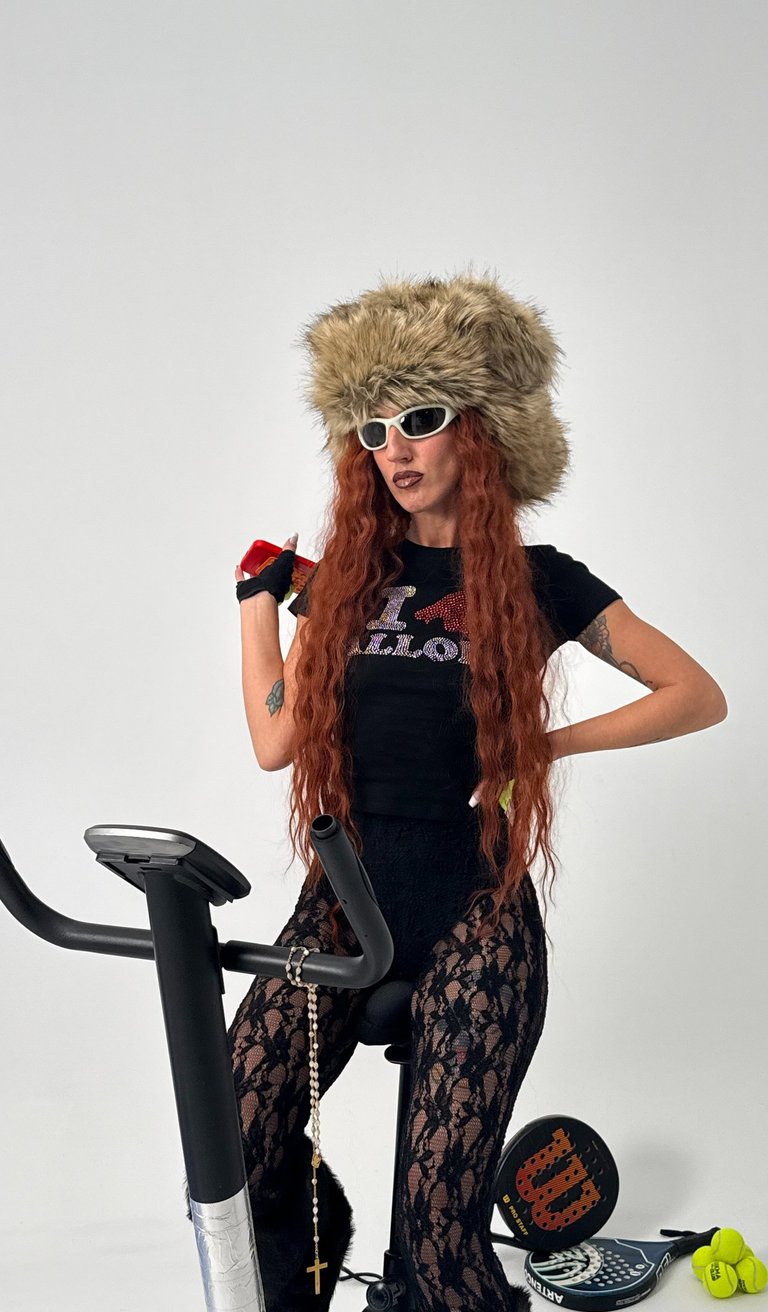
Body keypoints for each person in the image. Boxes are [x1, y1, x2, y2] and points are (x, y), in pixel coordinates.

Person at [225, 271, 727, 1310]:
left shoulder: (544, 582)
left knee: (439, 1241)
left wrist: (540, 747)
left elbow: (696, 694)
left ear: (479, 433)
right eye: (374, 431)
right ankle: (318, 1249)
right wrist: (255, 606)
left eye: (419, 420)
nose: (395, 451)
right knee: (234, 1137)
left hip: (476, 914)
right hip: (344, 900)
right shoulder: (347, 582)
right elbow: (277, 742)